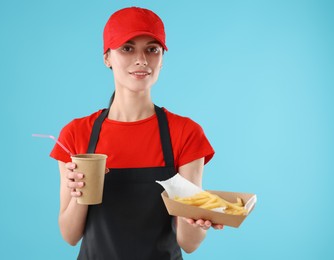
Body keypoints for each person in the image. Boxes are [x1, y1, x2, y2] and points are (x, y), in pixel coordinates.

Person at [50, 6, 223, 260]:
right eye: (127, 48)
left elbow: (189, 243)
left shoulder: (185, 133)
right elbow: (70, 235)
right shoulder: (76, 134)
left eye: (152, 49)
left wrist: (196, 216)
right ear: (107, 57)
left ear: (162, 58)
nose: (141, 59)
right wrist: (80, 194)